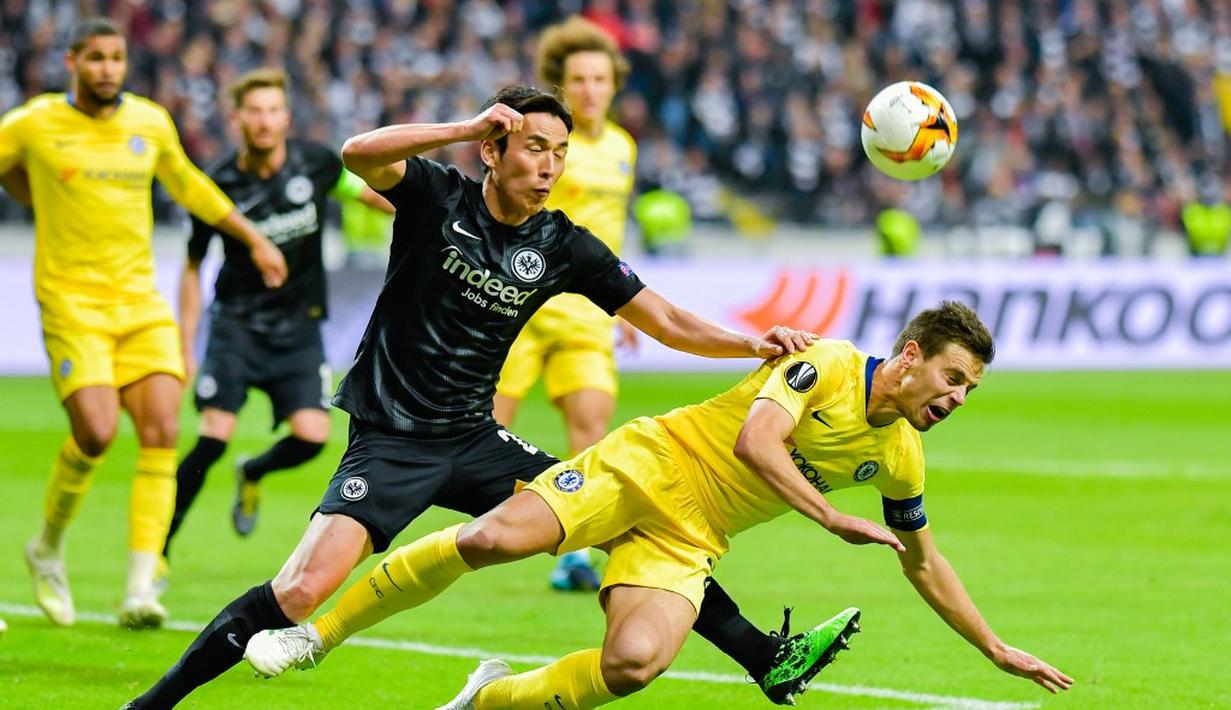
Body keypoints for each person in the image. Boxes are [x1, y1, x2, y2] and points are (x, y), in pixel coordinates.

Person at [124, 85, 841, 709]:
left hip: (475, 440)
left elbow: (667, 320)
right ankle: (152, 704)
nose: (549, 166)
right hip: (391, 435)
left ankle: (764, 659)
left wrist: (753, 343)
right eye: (534, 147)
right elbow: (357, 154)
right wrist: (463, 129)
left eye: (560, 152)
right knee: (302, 591)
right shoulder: (438, 196)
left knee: (632, 518)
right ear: (495, 150)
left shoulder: (565, 245)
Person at [247, 302, 1074, 709]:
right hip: (649, 463)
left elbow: (922, 561)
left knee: (634, 666)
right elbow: (756, 444)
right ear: (909, 356)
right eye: (953, 377)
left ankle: (485, 699)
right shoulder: (824, 363)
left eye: (969, 388)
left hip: (694, 533)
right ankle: (313, 636)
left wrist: (994, 647)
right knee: (494, 539)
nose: (959, 396)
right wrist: (827, 517)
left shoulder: (899, 457)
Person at [0, 17, 286, 630]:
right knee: (98, 432)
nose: (107, 69)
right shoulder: (34, 122)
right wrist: (20, 183)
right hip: (73, 304)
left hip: (141, 305)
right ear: (73, 61)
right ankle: (47, 546)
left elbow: (191, 186)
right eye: (96, 58)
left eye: (117, 58)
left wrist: (253, 238)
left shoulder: (149, 122)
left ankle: (140, 584)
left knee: (160, 428)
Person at [163, 68, 394, 568]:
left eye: (273, 111)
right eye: (254, 111)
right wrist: (185, 342)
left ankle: (254, 473)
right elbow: (191, 265)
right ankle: (156, 554)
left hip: (298, 327)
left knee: (313, 438)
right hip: (237, 326)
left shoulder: (317, 165)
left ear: (286, 118)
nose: (264, 121)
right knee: (210, 439)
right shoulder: (218, 184)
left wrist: (424, 208)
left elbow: (370, 197)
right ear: (236, 119)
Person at [491, 16, 639, 592]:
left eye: (600, 78)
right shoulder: (547, 142)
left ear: (613, 84)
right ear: (561, 84)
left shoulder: (624, 148)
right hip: (521, 307)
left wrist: (624, 303)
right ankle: (487, 529)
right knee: (487, 431)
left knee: (591, 432)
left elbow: (614, 232)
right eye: (578, 79)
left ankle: (573, 552)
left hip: (585, 311)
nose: (590, 89)